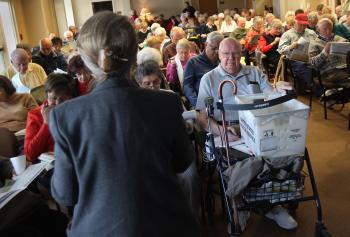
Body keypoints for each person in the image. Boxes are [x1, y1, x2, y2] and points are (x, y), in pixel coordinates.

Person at [49, 12, 200, 236]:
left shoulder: (65, 116)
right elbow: (182, 162)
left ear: (87, 59)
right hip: (168, 225)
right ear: (133, 55)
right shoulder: (167, 102)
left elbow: (64, 194)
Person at [195, 37, 297, 230]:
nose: (231, 59)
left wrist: (279, 90)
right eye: (226, 54)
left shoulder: (254, 73)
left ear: (241, 54)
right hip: (225, 129)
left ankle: (269, 205)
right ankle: (245, 204)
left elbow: (271, 97)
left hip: (256, 127)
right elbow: (201, 116)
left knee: (283, 153)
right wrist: (221, 130)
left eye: (235, 54)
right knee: (240, 160)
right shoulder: (209, 79)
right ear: (218, 54)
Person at [24, 73, 76, 163]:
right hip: (47, 167)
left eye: (63, 99)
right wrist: (46, 124)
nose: (58, 104)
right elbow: (30, 155)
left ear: (70, 98)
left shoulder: (75, 111)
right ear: (47, 96)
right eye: (53, 98)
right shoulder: (34, 115)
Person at [308, 18, 350, 97]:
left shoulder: (339, 39)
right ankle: (336, 94)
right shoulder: (314, 44)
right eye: (325, 29)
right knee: (347, 79)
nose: (328, 31)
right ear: (318, 30)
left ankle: (335, 93)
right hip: (328, 72)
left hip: (344, 68)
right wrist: (325, 52)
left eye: (330, 29)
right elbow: (312, 63)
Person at [183, 31, 224, 107]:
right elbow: (187, 86)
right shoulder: (193, 62)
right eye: (214, 48)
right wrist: (197, 103)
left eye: (220, 49)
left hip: (222, 101)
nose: (217, 52)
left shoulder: (223, 62)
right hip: (201, 102)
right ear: (206, 45)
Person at [278, 13, 317, 89]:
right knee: (306, 67)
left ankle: (323, 87)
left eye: (305, 25)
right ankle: (317, 90)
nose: (302, 27)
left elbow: (318, 43)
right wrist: (290, 47)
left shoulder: (311, 33)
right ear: (295, 23)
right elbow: (281, 50)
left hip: (311, 57)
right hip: (295, 60)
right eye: (300, 25)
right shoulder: (287, 34)